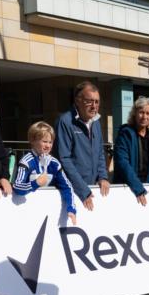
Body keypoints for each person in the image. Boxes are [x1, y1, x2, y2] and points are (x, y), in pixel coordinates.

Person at [55, 81, 110, 210]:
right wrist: (82, 190)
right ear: (78, 101)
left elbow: (100, 153)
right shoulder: (65, 121)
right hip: (72, 191)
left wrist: (103, 177)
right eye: (89, 101)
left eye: (97, 102)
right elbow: (64, 159)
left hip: (91, 188)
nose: (94, 106)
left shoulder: (95, 121)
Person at [13, 121, 76, 224]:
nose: (48, 146)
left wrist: (71, 208)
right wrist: (36, 183)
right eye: (44, 141)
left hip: (50, 215)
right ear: (33, 140)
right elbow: (17, 187)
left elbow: (67, 186)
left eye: (50, 142)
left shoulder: (54, 163)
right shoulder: (26, 161)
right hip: (27, 215)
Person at [113, 96, 149, 206]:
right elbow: (122, 163)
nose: (144, 116)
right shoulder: (125, 134)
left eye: (148, 113)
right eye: (141, 112)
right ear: (134, 114)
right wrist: (138, 188)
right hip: (128, 189)